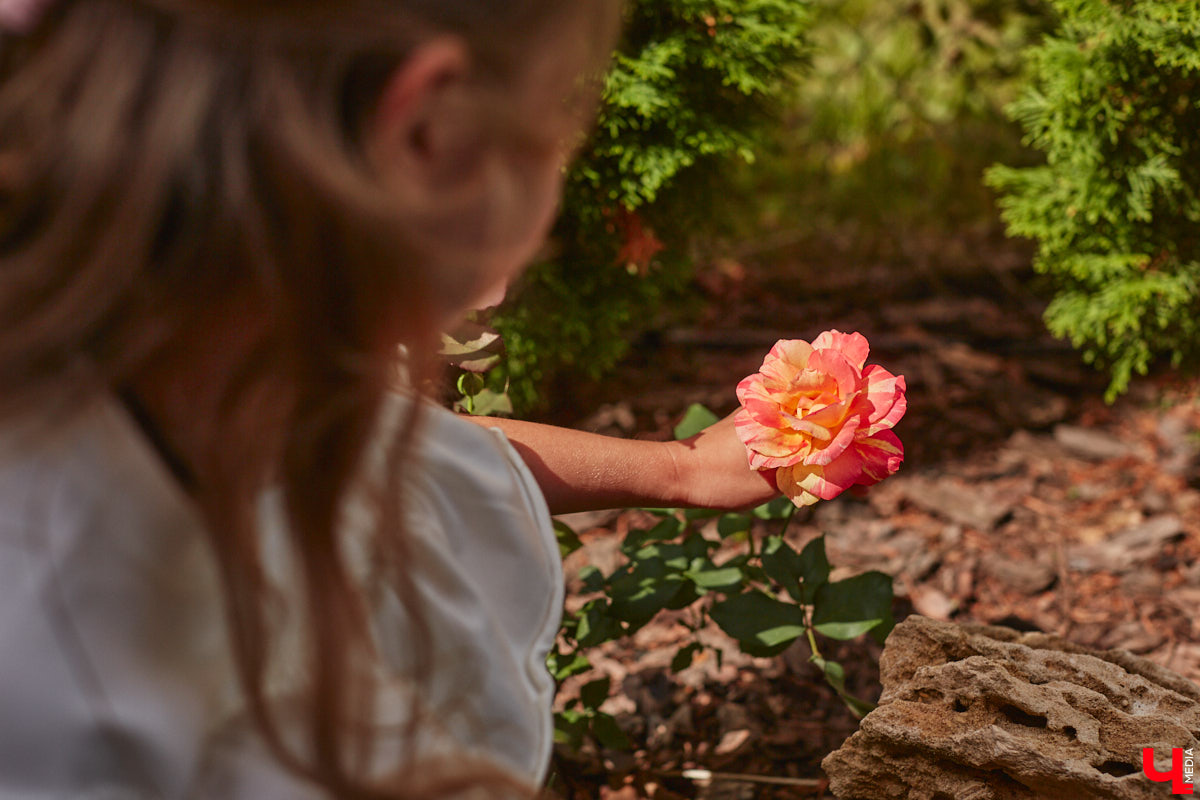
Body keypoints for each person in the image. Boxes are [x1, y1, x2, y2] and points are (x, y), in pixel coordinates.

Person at [0, 0, 779, 797]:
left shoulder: (180, 384)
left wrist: (680, 471)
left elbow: (416, 452)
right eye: (555, 131)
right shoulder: (110, 702)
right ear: (428, 136)